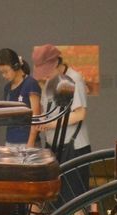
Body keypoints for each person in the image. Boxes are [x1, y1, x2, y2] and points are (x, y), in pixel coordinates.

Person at [32, 44, 92, 204]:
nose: (45, 76)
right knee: (57, 199)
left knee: (75, 200)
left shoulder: (74, 79)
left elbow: (80, 114)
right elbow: (47, 111)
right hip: (53, 146)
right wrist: (41, 122)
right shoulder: (49, 82)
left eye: (47, 71)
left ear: (57, 63)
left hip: (74, 147)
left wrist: (51, 124)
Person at [0, 48, 41, 147]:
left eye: (6, 71)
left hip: (27, 140)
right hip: (10, 140)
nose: (4, 75)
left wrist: (31, 143)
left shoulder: (30, 83)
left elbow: (36, 116)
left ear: (15, 66)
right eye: (1, 72)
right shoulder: (7, 88)